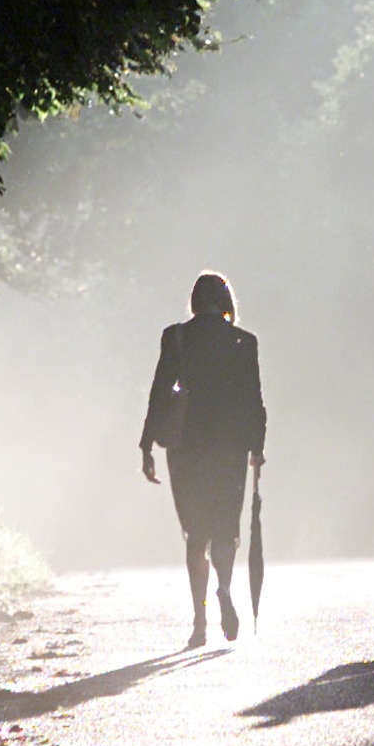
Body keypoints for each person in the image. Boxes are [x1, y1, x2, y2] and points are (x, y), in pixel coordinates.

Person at [141, 272, 267, 649]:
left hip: (186, 446)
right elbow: (254, 398)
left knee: (196, 533)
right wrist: (257, 448)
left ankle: (200, 620)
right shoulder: (244, 341)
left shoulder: (176, 337)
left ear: (195, 301)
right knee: (226, 526)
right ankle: (225, 588)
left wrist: (147, 443)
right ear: (227, 301)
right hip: (230, 446)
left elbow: (159, 392)